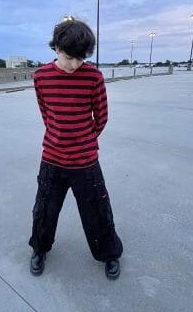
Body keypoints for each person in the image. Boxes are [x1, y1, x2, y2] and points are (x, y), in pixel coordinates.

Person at [28, 17, 123, 280]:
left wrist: (83, 140)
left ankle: (109, 253)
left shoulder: (93, 76)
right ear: (57, 48)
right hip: (52, 158)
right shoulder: (42, 76)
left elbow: (101, 117)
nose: (75, 64)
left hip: (86, 162)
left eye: (81, 59)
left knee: (98, 210)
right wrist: (60, 137)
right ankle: (39, 248)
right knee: (44, 209)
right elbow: (46, 114)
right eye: (71, 58)